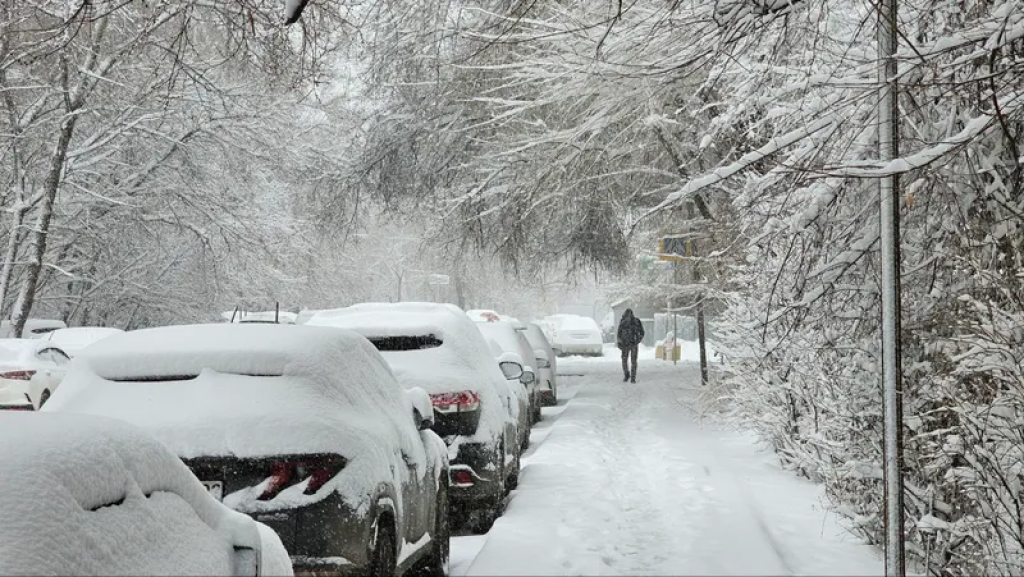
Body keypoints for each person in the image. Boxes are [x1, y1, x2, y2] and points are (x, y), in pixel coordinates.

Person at [616, 309, 645, 383]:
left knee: (625, 360)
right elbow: (642, 332)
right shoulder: (636, 321)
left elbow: (619, 333)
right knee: (633, 361)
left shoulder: (623, 322)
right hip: (632, 344)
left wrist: (620, 342)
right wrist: (638, 340)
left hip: (626, 344)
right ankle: (632, 377)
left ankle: (627, 375)